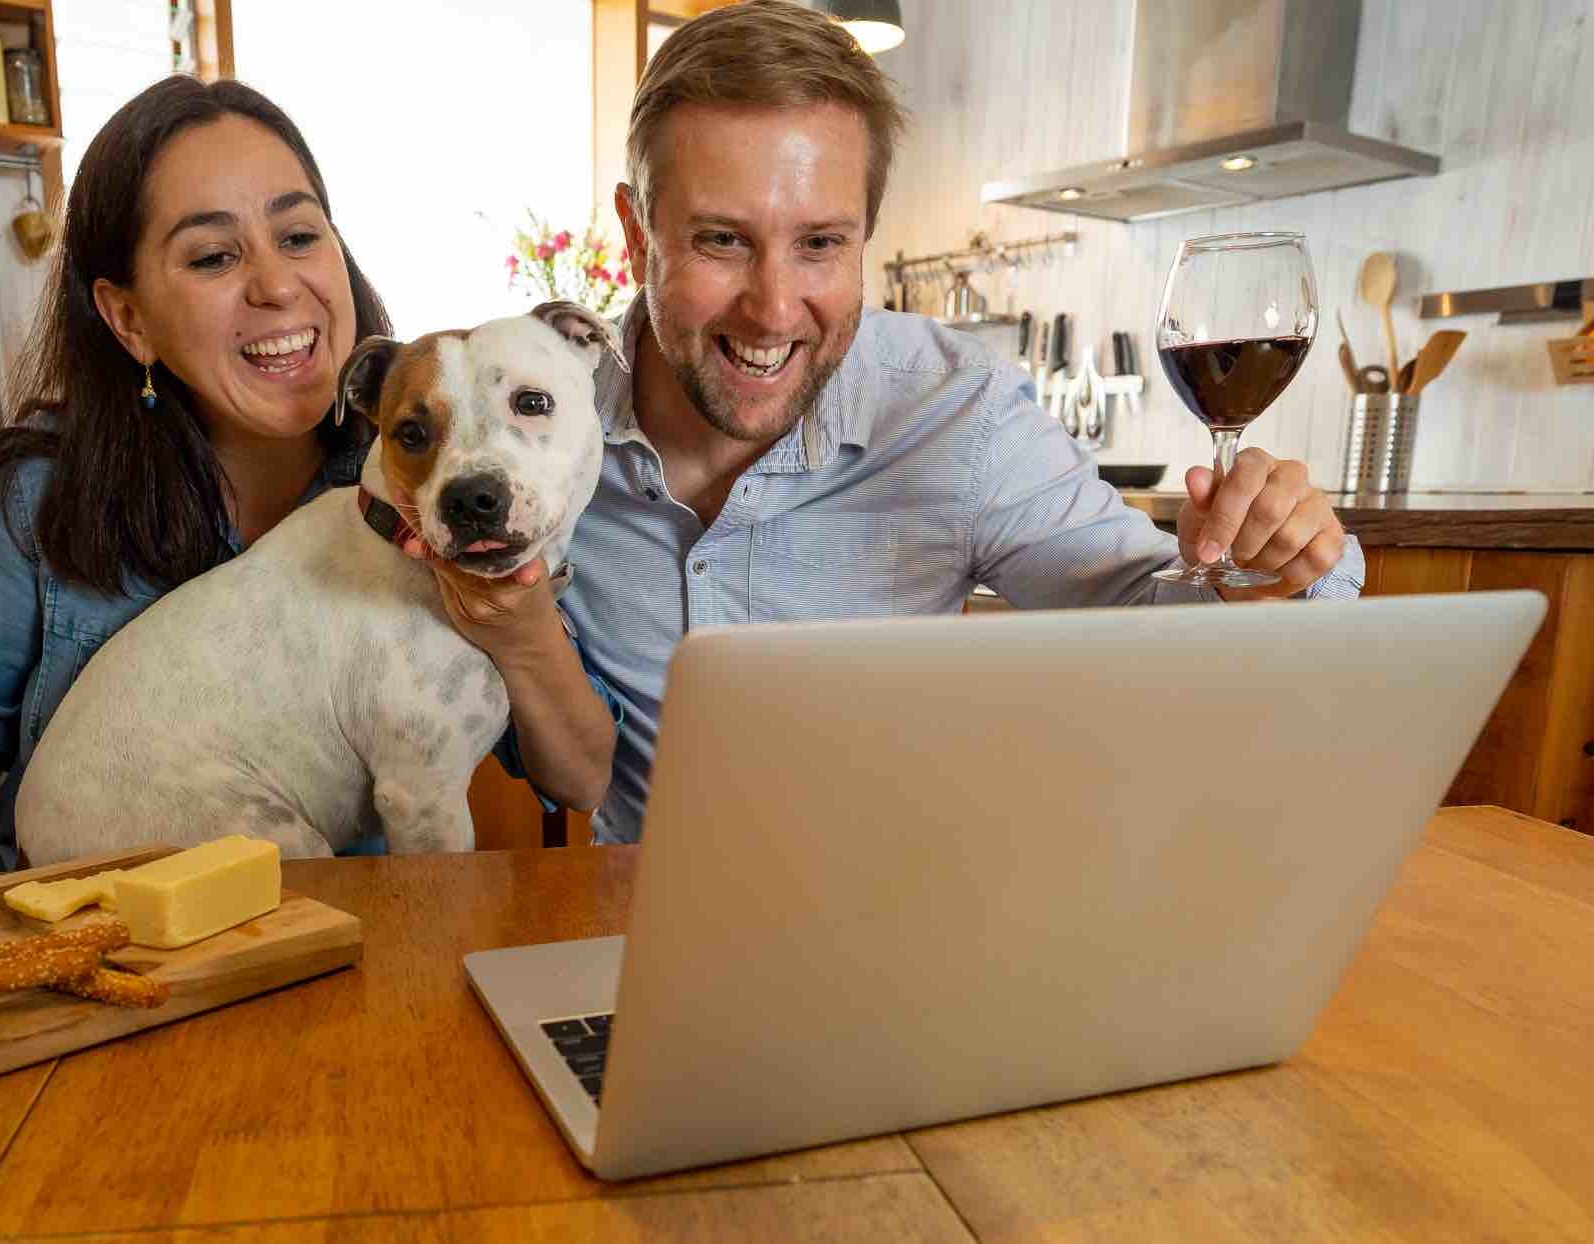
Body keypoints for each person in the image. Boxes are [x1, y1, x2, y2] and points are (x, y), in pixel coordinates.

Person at [0, 77, 616, 872]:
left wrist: (522, 624)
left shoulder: (425, 487)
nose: (277, 285)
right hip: (81, 908)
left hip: (336, 929)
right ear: (127, 319)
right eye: (212, 255)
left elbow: (578, 778)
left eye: (298, 235)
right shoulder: (30, 495)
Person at [537, 0, 1365, 845]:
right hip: (623, 929)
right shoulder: (531, 431)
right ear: (638, 234)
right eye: (722, 240)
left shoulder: (954, 409)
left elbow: (1158, 625)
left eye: (820, 243)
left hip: (892, 932)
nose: (774, 308)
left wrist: (1270, 560)